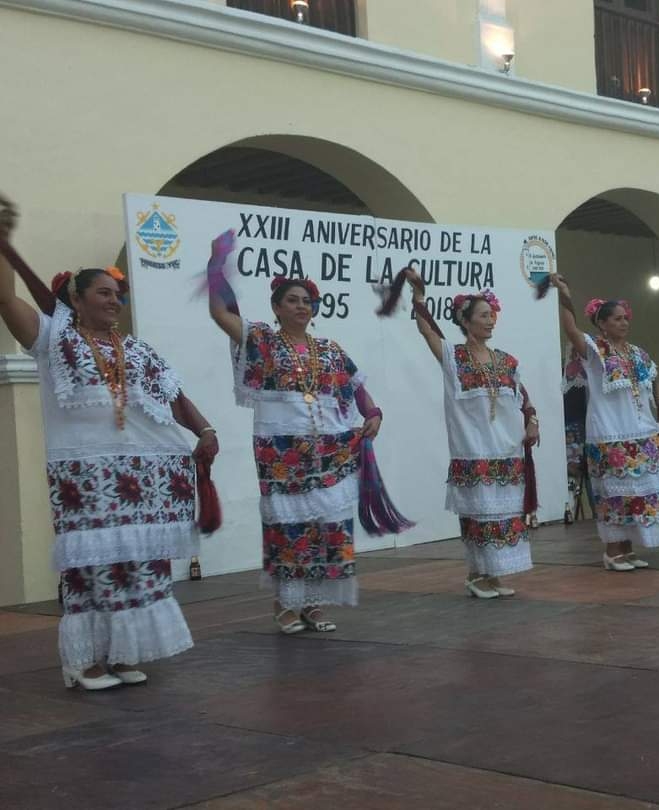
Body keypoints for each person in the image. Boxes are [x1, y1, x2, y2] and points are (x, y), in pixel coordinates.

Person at [0, 194, 218, 690]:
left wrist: (205, 430)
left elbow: (174, 396)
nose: (113, 301)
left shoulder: (138, 348)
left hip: (147, 476)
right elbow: (7, 301)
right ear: (74, 300)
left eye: (116, 295)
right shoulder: (54, 339)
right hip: (88, 474)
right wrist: (5, 247)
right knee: (92, 564)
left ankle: (122, 654)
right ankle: (86, 662)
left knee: (140, 565)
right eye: (101, 293)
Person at [208, 231, 386, 633]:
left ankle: (315, 604)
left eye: (307, 301)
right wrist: (215, 268)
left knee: (328, 524)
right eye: (292, 300)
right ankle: (284, 605)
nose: (301, 306)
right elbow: (221, 315)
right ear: (275, 306)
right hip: (282, 448)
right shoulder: (262, 341)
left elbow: (355, 386)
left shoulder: (330, 348)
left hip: (331, 446)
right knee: (289, 526)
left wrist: (373, 412)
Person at [405, 270, 537, 598]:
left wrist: (532, 421)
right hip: (473, 448)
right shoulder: (454, 357)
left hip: (506, 449)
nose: (490, 321)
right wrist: (419, 296)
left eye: (492, 315)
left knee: (504, 515)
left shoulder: (506, 360)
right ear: (466, 321)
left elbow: (523, 395)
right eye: (483, 316)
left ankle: (492, 575)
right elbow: (425, 329)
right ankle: (476, 575)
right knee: (479, 515)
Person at [551, 275, 659, 571]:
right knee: (614, 494)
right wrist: (565, 297)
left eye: (625, 318)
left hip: (643, 432)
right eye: (616, 319)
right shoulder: (595, 351)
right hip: (610, 432)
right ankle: (613, 551)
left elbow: (654, 381)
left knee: (639, 494)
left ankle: (629, 549)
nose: (624, 323)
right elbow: (571, 329)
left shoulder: (638, 353)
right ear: (602, 323)